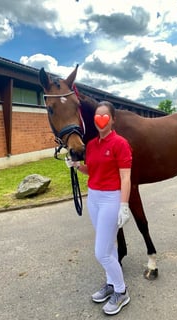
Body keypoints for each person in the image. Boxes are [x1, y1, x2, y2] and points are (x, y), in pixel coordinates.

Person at [66, 101, 133, 315]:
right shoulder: (92, 144)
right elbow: (92, 171)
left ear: (112, 119)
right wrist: (77, 166)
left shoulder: (120, 143)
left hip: (111, 199)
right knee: (110, 246)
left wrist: (124, 204)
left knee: (101, 253)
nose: (100, 120)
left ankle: (122, 291)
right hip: (93, 197)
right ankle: (111, 283)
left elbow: (126, 176)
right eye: (97, 116)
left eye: (104, 116)